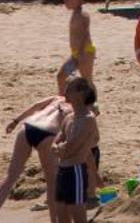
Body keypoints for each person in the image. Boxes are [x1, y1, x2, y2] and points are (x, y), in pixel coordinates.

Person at [0, 94, 68, 223]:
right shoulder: (75, 108)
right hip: (48, 133)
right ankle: (53, 221)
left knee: (11, 176)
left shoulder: (57, 98)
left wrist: (15, 121)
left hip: (28, 127)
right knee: (51, 182)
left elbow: (35, 106)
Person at [51, 78, 99, 223]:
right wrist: (58, 147)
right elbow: (56, 142)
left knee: (78, 216)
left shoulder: (87, 119)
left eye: (70, 88)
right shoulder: (69, 118)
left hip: (75, 170)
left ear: (80, 93)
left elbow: (71, 148)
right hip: (62, 170)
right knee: (61, 216)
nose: (65, 92)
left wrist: (59, 148)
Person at [56, 0, 95, 92]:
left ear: (76, 0)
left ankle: (94, 106)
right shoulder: (76, 13)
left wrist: (77, 56)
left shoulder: (82, 15)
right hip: (77, 53)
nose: (65, 3)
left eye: (67, 0)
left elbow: (82, 37)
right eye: (64, 0)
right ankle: (62, 100)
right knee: (61, 77)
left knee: (87, 80)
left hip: (85, 51)